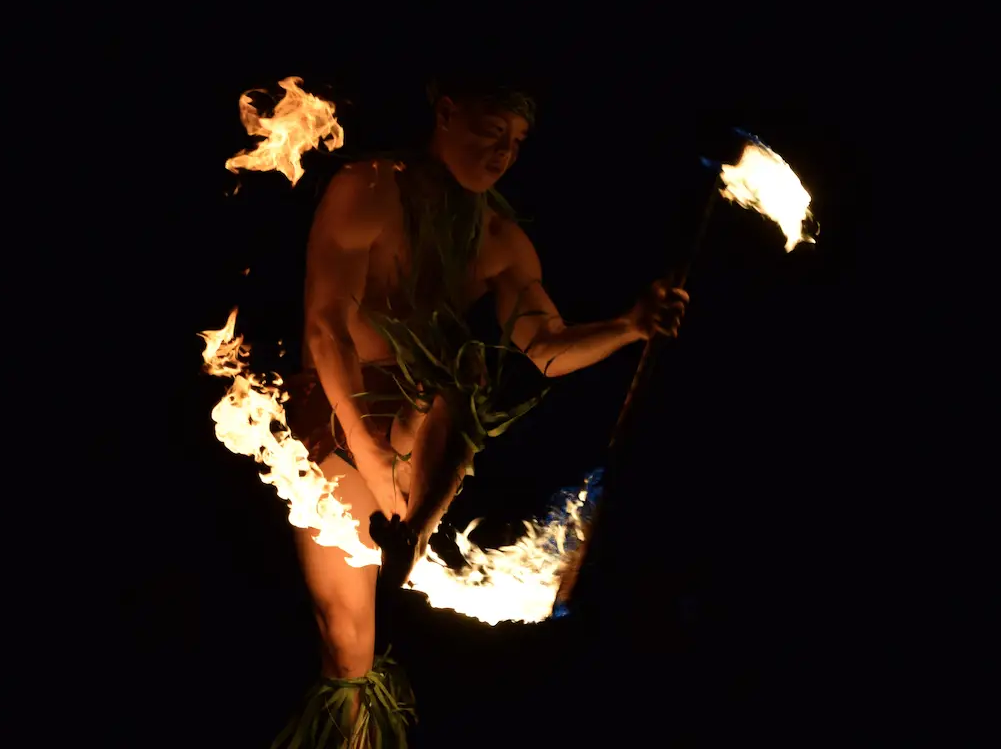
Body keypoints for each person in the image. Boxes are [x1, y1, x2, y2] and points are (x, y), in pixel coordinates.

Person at [273, 76, 689, 748]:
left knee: (464, 374)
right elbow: (326, 327)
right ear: (445, 113)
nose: (503, 155)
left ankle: (414, 524)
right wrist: (366, 450)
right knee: (348, 645)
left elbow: (545, 349)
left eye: (518, 144)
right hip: (336, 409)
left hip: (420, 423)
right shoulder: (370, 188)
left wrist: (629, 326)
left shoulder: (500, 236)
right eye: (492, 133)